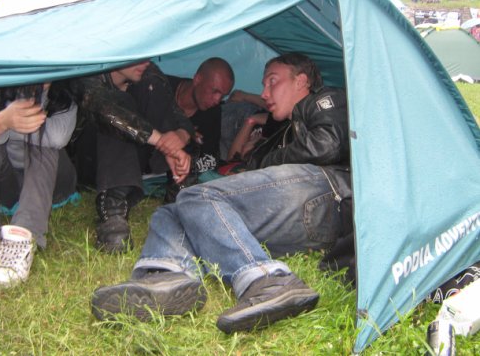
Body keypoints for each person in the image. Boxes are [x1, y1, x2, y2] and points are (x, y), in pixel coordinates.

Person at [91, 53, 352, 333]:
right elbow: (249, 165)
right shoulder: (281, 133)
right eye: (263, 85)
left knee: (196, 196)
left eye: (272, 82)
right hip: (297, 216)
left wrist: (262, 165)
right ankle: (164, 275)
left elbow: (327, 145)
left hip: (328, 193)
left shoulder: (326, 99)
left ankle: (266, 280)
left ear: (301, 81)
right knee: (173, 210)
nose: (264, 93)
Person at [0, 82, 77, 287]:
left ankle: (23, 235)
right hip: (6, 184)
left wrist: (8, 125)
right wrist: (1, 121)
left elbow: (58, 136)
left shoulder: (66, 88)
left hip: (52, 183)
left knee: (45, 144)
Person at [68, 59, 193, 253]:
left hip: (132, 160)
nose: (145, 62)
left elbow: (176, 113)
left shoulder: (147, 70)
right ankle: (113, 211)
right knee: (120, 102)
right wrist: (162, 142)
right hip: (87, 160)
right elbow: (104, 109)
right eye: (138, 55)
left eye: (148, 55)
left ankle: (179, 187)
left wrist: (179, 137)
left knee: (152, 87)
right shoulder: (87, 70)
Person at [167, 57, 234, 172]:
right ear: (197, 79)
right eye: (215, 91)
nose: (217, 100)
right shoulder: (161, 88)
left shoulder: (213, 111)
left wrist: (187, 163)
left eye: (223, 96)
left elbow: (211, 159)